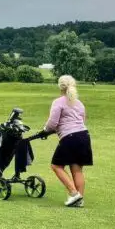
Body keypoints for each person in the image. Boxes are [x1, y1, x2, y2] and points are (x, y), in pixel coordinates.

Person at [43, 75, 93, 207]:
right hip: (84, 136)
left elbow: (53, 123)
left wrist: (45, 129)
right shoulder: (79, 103)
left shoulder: (58, 102)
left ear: (60, 86)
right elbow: (82, 120)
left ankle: (74, 193)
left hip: (70, 138)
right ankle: (79, 200)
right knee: (77, 169)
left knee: (56, 166)